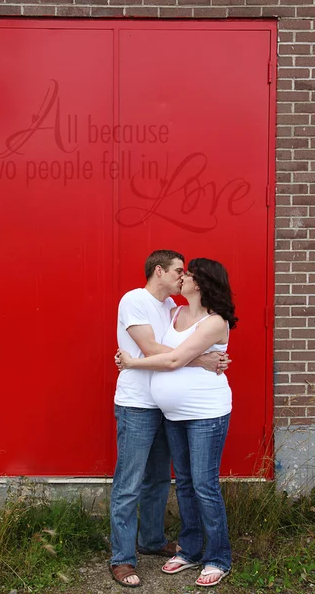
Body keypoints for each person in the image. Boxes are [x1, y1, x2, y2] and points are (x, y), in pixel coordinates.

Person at [110, 251, 230, 588]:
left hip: (168, 410)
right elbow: (150, 349)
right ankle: (122, 558)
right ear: (158, 271)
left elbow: (181, 350)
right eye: (179, 271)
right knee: (129, 483)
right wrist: (202, 360)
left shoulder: (171, 308)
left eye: (187, 273)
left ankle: (151, 540)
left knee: (160, 480)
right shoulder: (135, 299)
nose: (182, 276)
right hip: (137, 404)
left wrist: (202, 358)